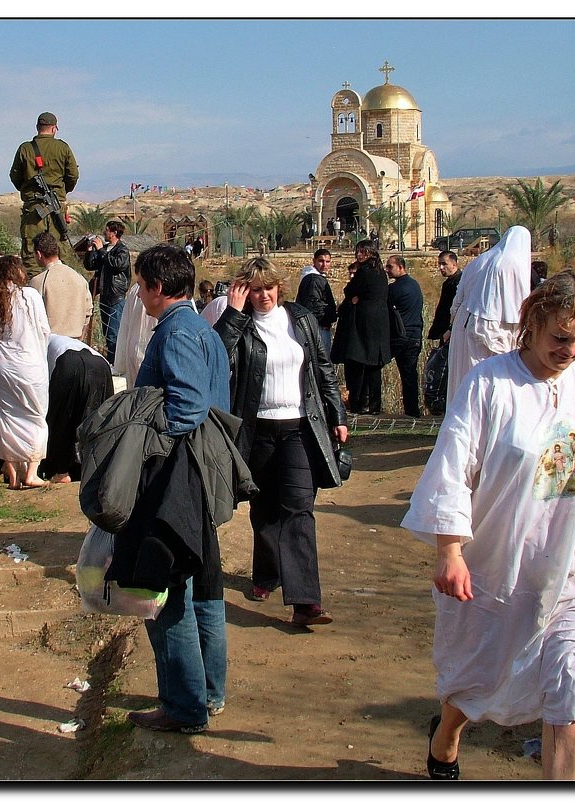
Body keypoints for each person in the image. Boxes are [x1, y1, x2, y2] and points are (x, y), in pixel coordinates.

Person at [401, 271, 575, 780]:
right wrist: (450, 551)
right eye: (561, 337)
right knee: (478, 676)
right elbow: (453, 466)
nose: (571, 350)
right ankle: (446, 736)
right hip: (499, 565)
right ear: (532, 325)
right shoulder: (489, 384)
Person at [127, 244, 231, 734]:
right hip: (198, 477)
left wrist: (141, 438)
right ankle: (207, 694)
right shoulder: (198, 329)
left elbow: (187, 408)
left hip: (177, 479)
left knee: (166, 594)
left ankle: (185, 707)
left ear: (159, 287)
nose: (138, 292)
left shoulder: (178, 332)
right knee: (204, 588)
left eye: (141, 284)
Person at [213, 257, 348, 626]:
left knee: (298, 506)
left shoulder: (300, 319)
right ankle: (267, 573)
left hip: (299, 427)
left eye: (268, 288)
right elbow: (217, 356)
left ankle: (305, 601)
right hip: (256, 429)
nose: (263, 296)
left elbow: (323, 369)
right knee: (264, 506)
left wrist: (338, 416)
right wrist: (234, 312)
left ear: (279, 287)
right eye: (254, 290)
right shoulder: (239, 324)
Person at [0, 254, 51, 490]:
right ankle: (31, 471)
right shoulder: (29, 295)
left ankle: (13, 476)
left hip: (1, 368)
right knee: (36, 417)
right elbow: (44, 330)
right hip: (29, 366)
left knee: (6, 419)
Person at [446, 226, 532, 404]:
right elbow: (518, 304)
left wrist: (453, 324)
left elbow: (458, 299)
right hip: (496, 327)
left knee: (467, 378)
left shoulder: (482, 260)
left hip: (467, 323)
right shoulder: (514, 264)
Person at [10, 112, 79, 274]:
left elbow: (15, 176)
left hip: (33, 209)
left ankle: (35, 290)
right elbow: (73, 176)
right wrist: (61, 193)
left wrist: (28, 191)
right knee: (58, 250)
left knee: (32, 253)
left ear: (37, 128)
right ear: (54, 128)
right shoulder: (63, 148)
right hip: (56, 207)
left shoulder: (25, 149)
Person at [40, 334, 114, 484]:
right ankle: (93, 470)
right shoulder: (54, 339)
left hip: (69, 363)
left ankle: (60, 471)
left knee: (61, 419)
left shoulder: (35, 345)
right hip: (101, 365)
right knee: (97, 423)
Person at [330, 239, 391, 415]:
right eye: (358, 251)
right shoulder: (380, 272)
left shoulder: (365, 271)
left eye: (363, 252)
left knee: (358, 364)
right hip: (378, 324)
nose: (359, 255)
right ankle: (374, 406)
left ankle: (358, 404)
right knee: (373, 367)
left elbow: (349, 290)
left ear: (370, 253)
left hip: (364, 324)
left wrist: (353, 297)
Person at [28, 232, 93, 339]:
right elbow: (88, 311)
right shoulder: (79, 278)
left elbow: (31, 317)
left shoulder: (38, 281)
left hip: (50, 344)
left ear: (39, 254)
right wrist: (81, 337)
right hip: (76, 342)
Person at [84, 219, 132, 362]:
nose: (104, 232)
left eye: (107, 230)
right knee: (107, 332)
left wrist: (100, 250)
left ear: (114, 233)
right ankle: (111, 361)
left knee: (114, 334)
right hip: (104, 295)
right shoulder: (105, 249)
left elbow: (116, 265)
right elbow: (91, 265)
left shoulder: (122, 250)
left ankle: (115, 363)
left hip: (115, 296)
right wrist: (90, 251)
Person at [386, 255, 425, 417]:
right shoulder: (414, 285)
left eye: (390, 267)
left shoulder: (395, 289)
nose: (387, 270)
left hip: (400, 336)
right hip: (415, 335)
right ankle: (412, 410)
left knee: (373, 364)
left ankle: (369, 403)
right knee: (409, 374)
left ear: (400, 267)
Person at [296, 248, 338, 351]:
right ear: (314, 261)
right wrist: (326, 320)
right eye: (321, 261)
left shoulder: (314, 277)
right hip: (318, 328)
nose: (324, 265)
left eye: (327, 262)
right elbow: (314, 305)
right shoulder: (313, 279)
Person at [427, 251, 462, 345]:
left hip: (453, 333)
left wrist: (450, 330)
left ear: (454, 264)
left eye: (444, 264)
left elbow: (458, 309)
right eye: (440, 264)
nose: (441, 268)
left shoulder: (459, 282)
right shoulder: (449, 283)